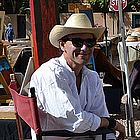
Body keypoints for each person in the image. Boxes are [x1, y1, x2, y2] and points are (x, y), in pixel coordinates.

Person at [30, 13, 126, 140]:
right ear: (62, 45)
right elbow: (74, 120)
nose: (85, 48)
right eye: (78, 42)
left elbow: (101, 118)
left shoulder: (92, 78)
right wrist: (112, 124)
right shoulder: (50, 73)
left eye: (90, 42)